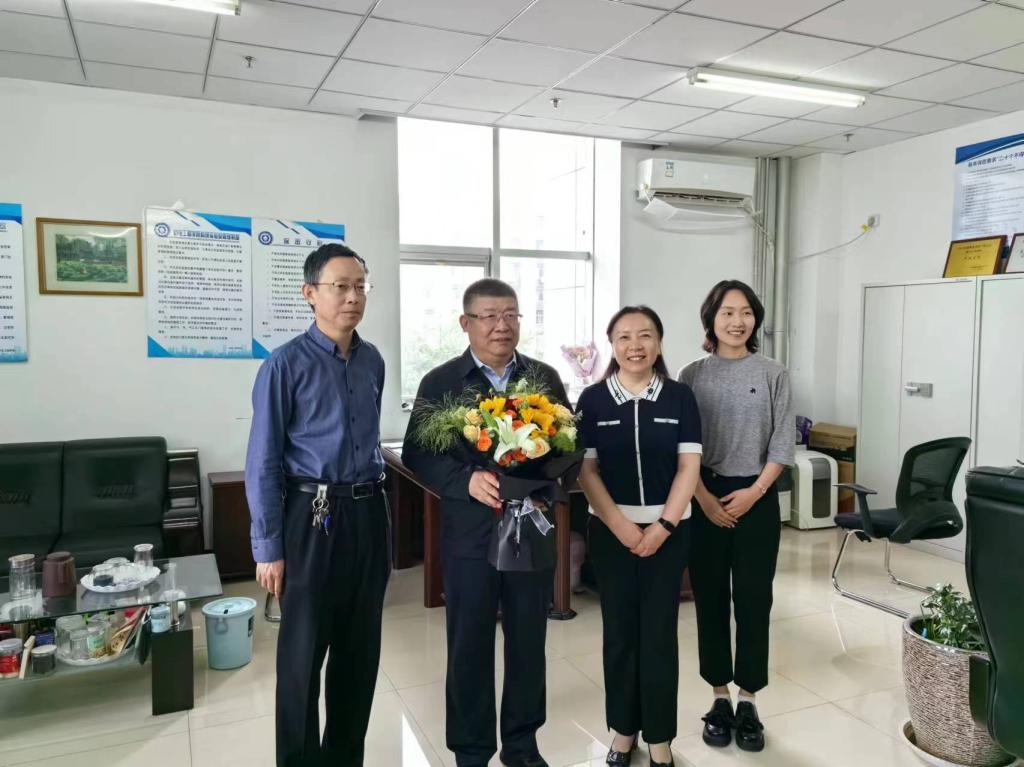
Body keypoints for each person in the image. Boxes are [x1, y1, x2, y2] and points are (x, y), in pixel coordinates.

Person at [402, 278, 569, 767]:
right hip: (470, 537)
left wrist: (543, 487)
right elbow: (418, 453)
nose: (502, 326)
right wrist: (465, 480)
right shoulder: (442, 381)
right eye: (490, 316)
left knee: (528, 642)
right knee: (469, 645)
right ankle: (471, 752)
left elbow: (569, 444)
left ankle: (522, 746)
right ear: (466, 322)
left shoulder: (543, 377)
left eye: (511, 315)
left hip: (530, 531)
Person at [245, 243, 390, 767]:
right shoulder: (284, 366)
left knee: (360, 655)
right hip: (312, 517)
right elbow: (262, 460)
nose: (353, 297)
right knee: (303, 658)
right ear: (310, 293)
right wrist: (269, 548)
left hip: (368, 513)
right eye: (340, 287)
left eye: (361, 287)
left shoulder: (372, 360)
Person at [576, 306, 702, 767]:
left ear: (659, 342)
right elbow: (587, 470)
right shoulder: (593, 400)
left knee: (659, 634)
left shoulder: (679, 397)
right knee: (620, 633)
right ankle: (623, 731)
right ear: (611, 345)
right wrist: (622, 527)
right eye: (624, 337)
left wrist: (663, 526)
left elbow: (688, 466)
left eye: (645, 335)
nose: (635, 345)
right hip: (612, 533)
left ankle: (661, 737)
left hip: (671, 533)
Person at [677, 280, 794, 753]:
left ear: (755, 319)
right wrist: (703, 498)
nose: (737, 321)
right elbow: (683, 447)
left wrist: (756, 492)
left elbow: (782, 443)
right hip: (704, 493)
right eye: (727, 312)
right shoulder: (691, 375)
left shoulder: (773, 373)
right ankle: (719, 696)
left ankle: (748, 700)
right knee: (709, 598)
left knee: (753, 599)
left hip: (757, 495)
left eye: (745, 312)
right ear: (711, 319)